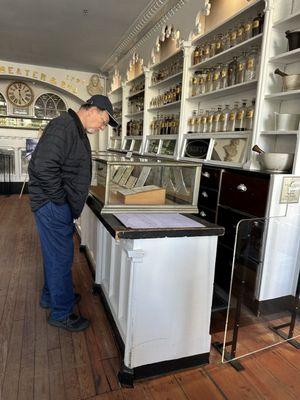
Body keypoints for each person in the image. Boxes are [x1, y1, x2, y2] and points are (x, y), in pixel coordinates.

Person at [28, 95, 118, 332]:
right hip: (52, 205)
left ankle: (52, 296)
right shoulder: (64, 126)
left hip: (54, 204)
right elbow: (42, 166)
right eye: (104, 121)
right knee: (61, 258)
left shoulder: (73, 128)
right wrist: (61, 202)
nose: (102, 127)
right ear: (94, 110)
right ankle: (61, 313)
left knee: (55, 255)